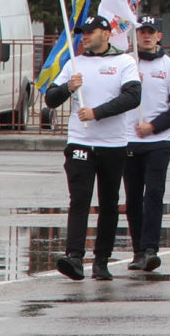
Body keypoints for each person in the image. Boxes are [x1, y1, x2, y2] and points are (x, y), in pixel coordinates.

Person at [43, 16, 141, 280]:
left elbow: (132, 97)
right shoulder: (76, 63)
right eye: (82, 33)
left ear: (106, 34)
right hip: (80, 142)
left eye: (90, 32)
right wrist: (67, 87)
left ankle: (101, 261)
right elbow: (50, 99)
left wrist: (97, 113)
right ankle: (74, 257)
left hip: (113, 144)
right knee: (79, 200)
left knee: (109, 204)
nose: (84, 36)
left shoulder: (124, 62)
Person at [123, 18, 170, 272]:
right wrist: (129, 84)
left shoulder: (169, 67)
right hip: (128, 140)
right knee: (132, 199)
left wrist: (153, 126)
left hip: (158, 142)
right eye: (142, 32)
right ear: (136, 35)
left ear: (159, 36)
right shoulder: (127, 63)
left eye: (151, 32)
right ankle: (138, 250)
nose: (146, 36)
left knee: (153, 195)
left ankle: (150, 249)